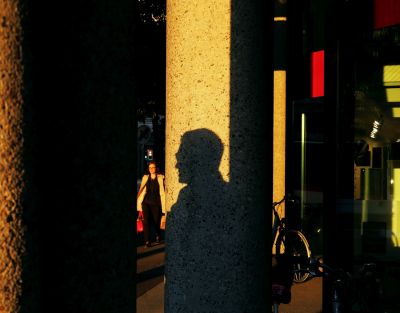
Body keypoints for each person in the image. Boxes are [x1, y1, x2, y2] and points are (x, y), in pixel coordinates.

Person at [137, 161, 166, 248]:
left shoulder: (161, 178)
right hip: (146, 203)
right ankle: (147, 241)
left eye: (153, 167)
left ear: (156, 168)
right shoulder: (145, 177)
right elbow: (141, 189)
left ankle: (158, 234)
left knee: (156, 221)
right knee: (146, 221)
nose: (151, 169)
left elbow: (163, 191)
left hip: (156, 203)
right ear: (148, 169)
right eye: (150, 168)